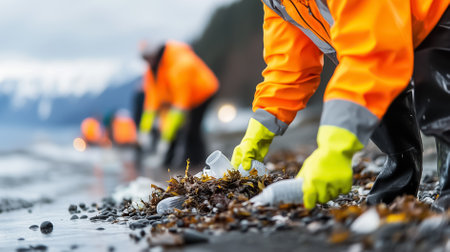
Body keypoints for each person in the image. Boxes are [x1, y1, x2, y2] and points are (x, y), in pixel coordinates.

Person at [231, 1, 449, 211]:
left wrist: (335, 150)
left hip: (435, 12)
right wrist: (260, 130)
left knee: (440, 98)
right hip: (374, 30)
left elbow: (369, 54)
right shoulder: (278, 2)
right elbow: (287, 66)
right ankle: (399, 186)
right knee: (379, 111)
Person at [138, 40, 219, 167]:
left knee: (192, 129)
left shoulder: (180, 64)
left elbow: (179, 107)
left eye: (148, 58)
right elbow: (151, 102)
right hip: (181, 100)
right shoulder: (153, 70)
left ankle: (196, 163)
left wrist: (165, 139)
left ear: (155, 54)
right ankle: (173, 162)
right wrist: (144, 130)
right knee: (179, 129)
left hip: (202, 93)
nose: (147, 61)